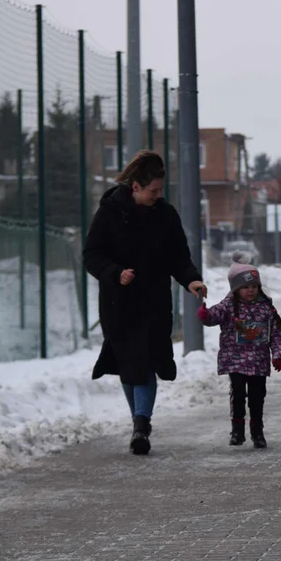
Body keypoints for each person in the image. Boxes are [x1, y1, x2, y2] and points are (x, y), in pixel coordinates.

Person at [83, 150, 208, 456]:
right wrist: (115, 273)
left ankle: (141, 423)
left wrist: (191, 279)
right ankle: (140, 422)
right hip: (119, 303)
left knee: (147, 362)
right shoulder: (109, 213)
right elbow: (92, 255)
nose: (157, 196)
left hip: (154, 301)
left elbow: (179, 256)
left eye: (160, 190)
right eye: (153, 190)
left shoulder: (165, 215)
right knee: (129, 363)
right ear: (136, 187)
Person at [197, 254, 281, 449]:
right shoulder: (229, 305)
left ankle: (257, 432)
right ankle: (237, 431)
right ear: (236, 289)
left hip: (258, 361)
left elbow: (276, 333)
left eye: (254, 286)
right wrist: (205, 314)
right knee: (238, 395)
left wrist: (278, 355)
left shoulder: (266, 307)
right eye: (245, 287)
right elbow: (214, 316)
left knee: (257, 397)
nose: (250, 290)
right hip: (234, 360)